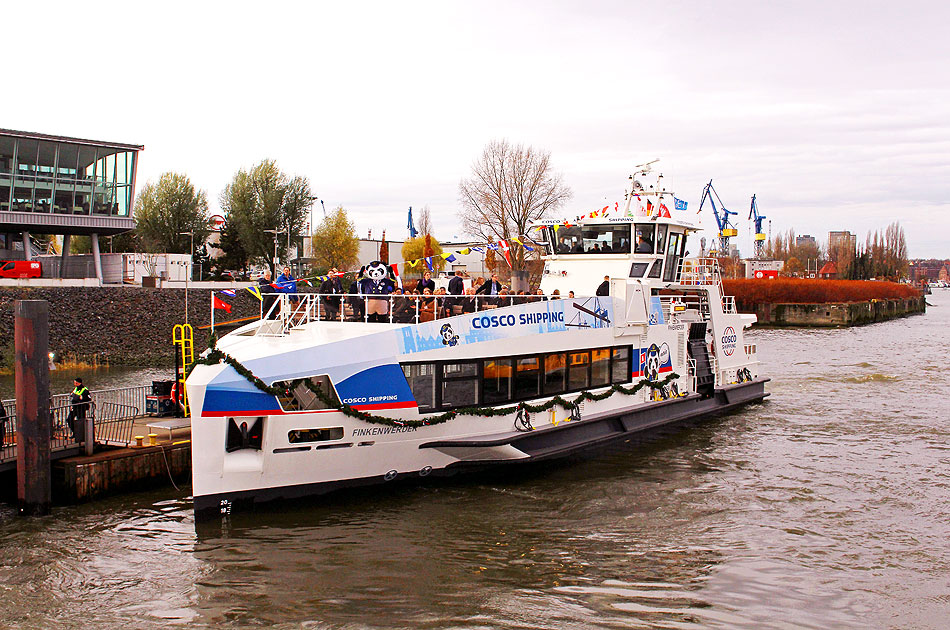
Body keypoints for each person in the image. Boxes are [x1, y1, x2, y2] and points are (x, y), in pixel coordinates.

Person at [65, 377, 91, 442]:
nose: (75, 384)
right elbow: (72, 396)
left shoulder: (84, 389)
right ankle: (75, 432)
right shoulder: (76, 389)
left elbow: (88, 398)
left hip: (81, 408)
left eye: (76, 382)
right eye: (74, 382)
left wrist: (81, 398)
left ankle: (82, 435)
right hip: (74, 407)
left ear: (79, 383)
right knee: (69, 419)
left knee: (81, 421)